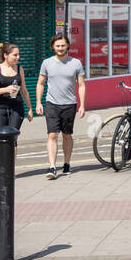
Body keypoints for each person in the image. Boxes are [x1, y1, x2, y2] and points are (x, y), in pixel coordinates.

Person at [35, 34, 86, 180]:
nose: (60, 48)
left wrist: (82, 105)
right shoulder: (46, 63)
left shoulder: (76, 63)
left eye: (63, 45)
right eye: (57, 46)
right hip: (52, 104)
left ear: (67, 46)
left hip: (69, 104)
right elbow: (40, 83)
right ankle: (52, 166)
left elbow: (81, 85)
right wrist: (38, 102)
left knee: (67, 135)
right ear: (53, 47)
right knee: (52, 134)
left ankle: (67, 163)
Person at [0, 43, 33, 142]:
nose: (18, 57)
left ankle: (12, 158)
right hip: (0, 108)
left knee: (12, 139)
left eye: (18, 54)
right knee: (0, 139)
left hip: (17, 108)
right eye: (15, 55)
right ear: (5, 55)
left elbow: (24, 90)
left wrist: (30, 108)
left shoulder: (19, 69)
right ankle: (3, 158)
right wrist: (6, 89)